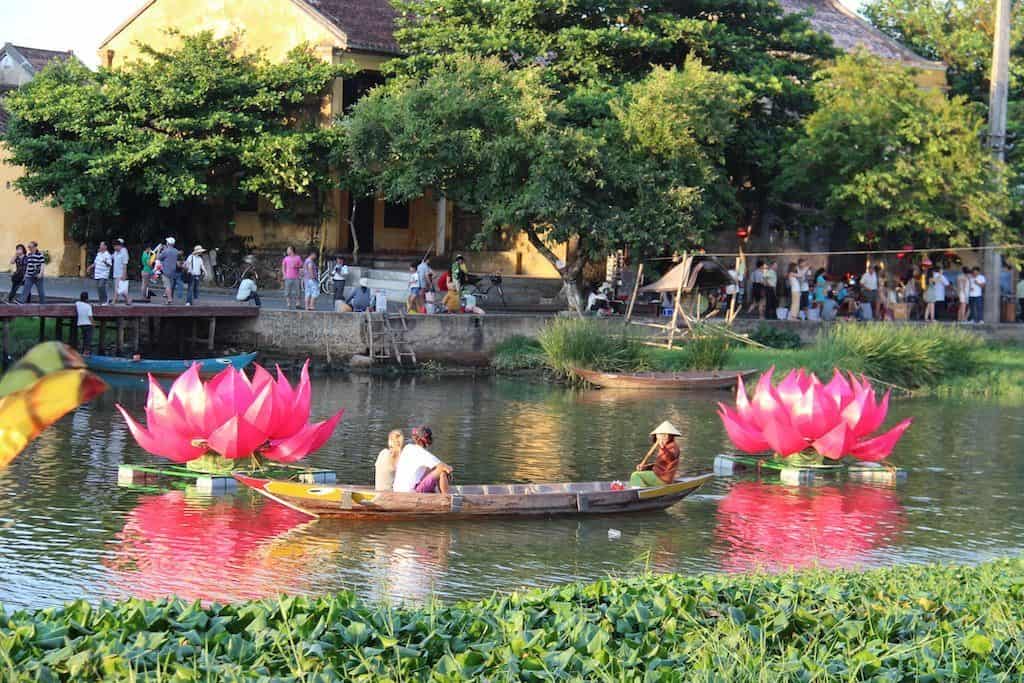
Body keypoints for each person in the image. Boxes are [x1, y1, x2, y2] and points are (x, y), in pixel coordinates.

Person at [394, 426, 452, 494]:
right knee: (442, 471)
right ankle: (446, 498)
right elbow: (446, 468)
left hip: (397, 491)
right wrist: (449, 471)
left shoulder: (407, 447)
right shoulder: (422, 453)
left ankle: (438, 494)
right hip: (410, 493)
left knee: (432, 469)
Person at [629, 421, 681, 488]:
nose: (662, 437)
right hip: (658, 476)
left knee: (635, 475)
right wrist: (645, 467)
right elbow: (659, 466)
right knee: (637, 476)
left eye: (665, 435)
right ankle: (642, 490)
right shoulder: (664, 447)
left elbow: (671, 457)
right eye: (660, 435)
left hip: (662, 479)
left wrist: (663, 448)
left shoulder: (673, 447)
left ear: (670, 436)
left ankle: (642, 493)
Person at [157, 237, 180, 305]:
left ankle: (169, 299)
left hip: (165, 271)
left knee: (167, 286)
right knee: (170, 285)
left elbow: (158, 258)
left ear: (168, 243)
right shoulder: (176, 251)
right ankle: (168, 296)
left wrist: (158, 250)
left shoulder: (166, 251)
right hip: (173, 270)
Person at [111, 238, 132, 305]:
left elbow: (125, 264)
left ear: (119, 245)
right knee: (121, 289)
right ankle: (128, 300)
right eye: (114, 246)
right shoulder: (115, 252)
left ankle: (114, 301)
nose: (114, 248)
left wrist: (124, 274)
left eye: (115, 246)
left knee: (117, 288)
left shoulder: (124, 252)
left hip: (121, 273)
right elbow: (111, 257)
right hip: (116, 273)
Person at [75, 291, 94, 355]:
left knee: (84, 338)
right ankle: (86, 353)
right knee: (88, 339)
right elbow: (90, 316)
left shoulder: (77, 304)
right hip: (88, 324)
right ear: (87, 298)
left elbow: (78, 302)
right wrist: (93, 323)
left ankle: (82, 352)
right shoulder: (88, 306)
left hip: (81, 324)